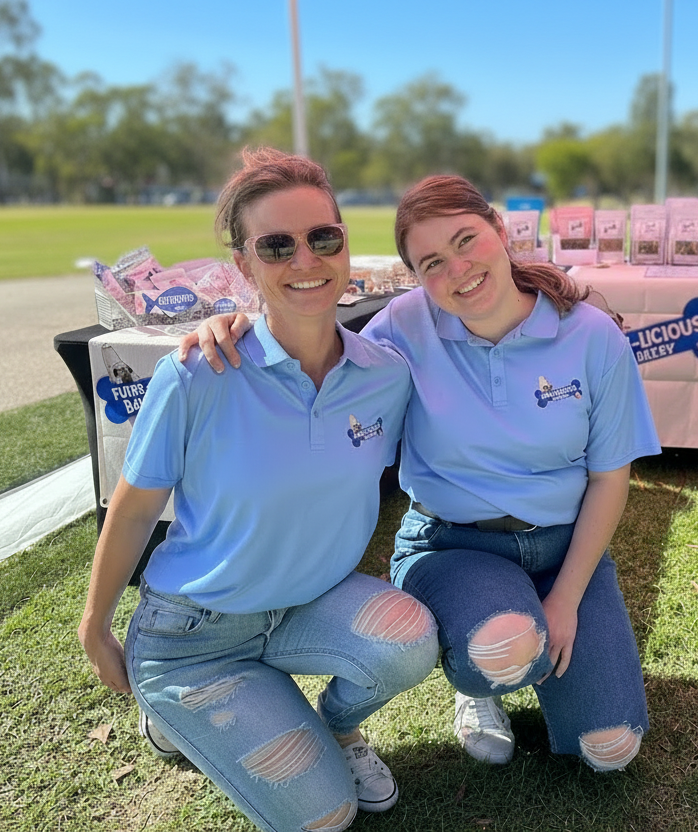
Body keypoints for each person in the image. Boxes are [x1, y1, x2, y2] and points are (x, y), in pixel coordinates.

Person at [185, 174, 660, 773]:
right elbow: (316, 352)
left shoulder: (591, 335)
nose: (458, 269)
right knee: (503, 649)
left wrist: (565, 600)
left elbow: (610, 478)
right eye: (432, 262)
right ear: (414, 276)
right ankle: (480, 681)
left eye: (466, 240)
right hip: (454, 545)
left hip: (563, 549)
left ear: (498, 229)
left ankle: (528, 647)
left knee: (611, 749)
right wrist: (238, 327)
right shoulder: (402, 328)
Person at [79, 147, 439, 832]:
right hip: (196, 635)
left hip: (309, 603)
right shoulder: (196, 373)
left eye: (322, 238)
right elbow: (132, 511)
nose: (305, 260)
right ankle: (173, 717)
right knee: (327, 817)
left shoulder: (387, 375)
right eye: (276, 246)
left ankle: (334, 729)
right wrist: (94, 624)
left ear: (344, 245)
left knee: (411, 641)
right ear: (244, 266)